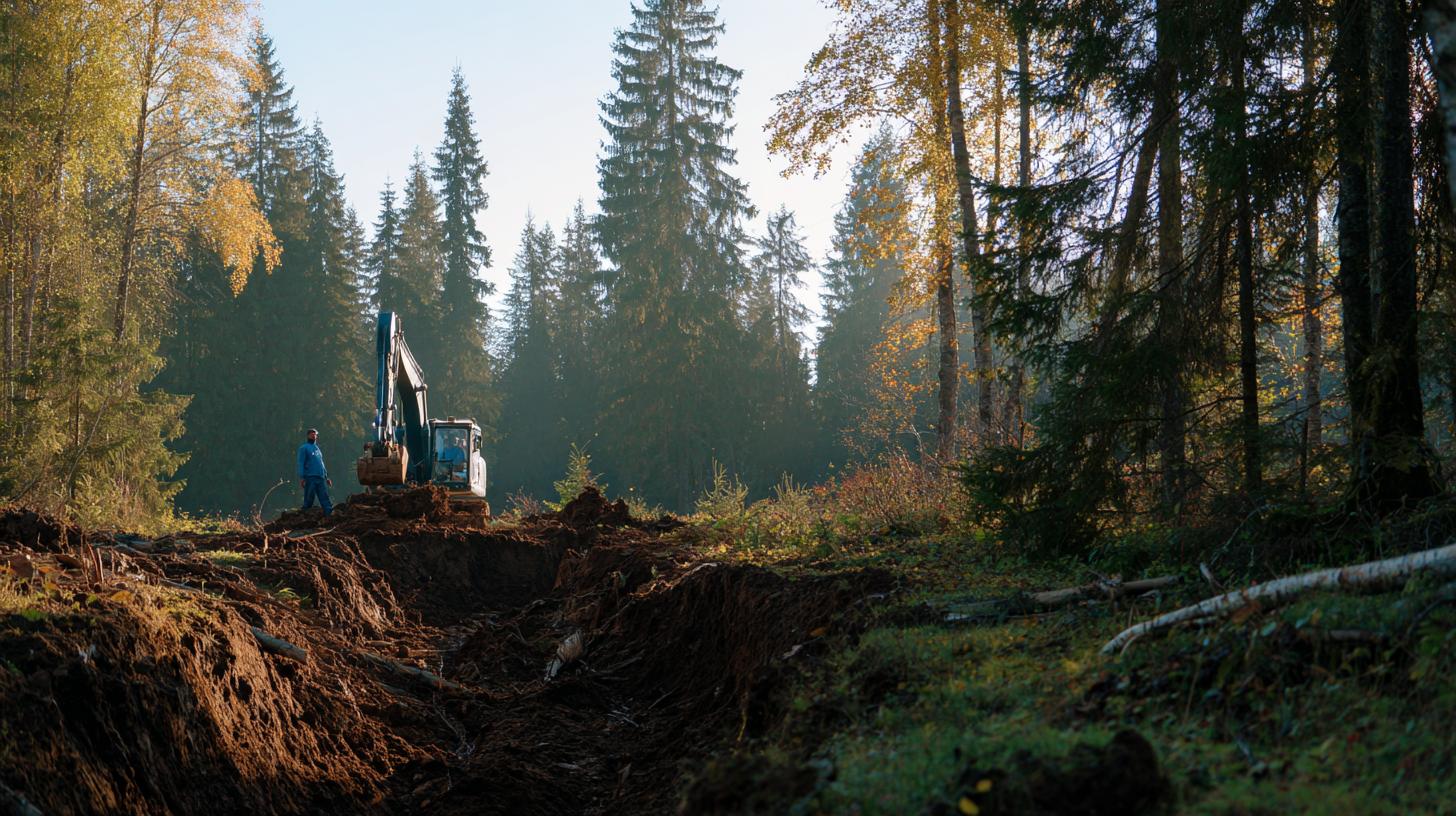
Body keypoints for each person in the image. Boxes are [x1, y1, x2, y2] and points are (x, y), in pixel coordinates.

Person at [297, 427, 333, 515]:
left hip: (320, 477)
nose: (313, 435)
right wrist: (302, 477)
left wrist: (326, 477)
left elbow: (321, 463)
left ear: (317, 436)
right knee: (309, 496)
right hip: (310, 476)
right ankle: (304, 514)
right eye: (311, 434)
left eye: (315, 434)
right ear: (308, 436)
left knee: (324, 496)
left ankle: (329, 514)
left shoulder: (317, 449)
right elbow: (301, 462)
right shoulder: (304, 448)